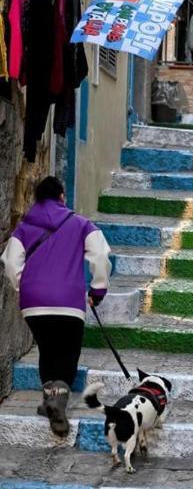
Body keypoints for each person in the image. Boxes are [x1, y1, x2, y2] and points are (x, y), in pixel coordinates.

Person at [1, 176, 111, 437]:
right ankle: (58, 404)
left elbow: (10, 261)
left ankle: (49, 400)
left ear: (37, 198)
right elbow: (100, 255)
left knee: (48, 349)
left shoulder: (25, 225)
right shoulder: (81, 224)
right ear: (62, 196)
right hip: (69, 301)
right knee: (67, 351)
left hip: (34, 302)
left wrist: (25, 285)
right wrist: (98, 289)